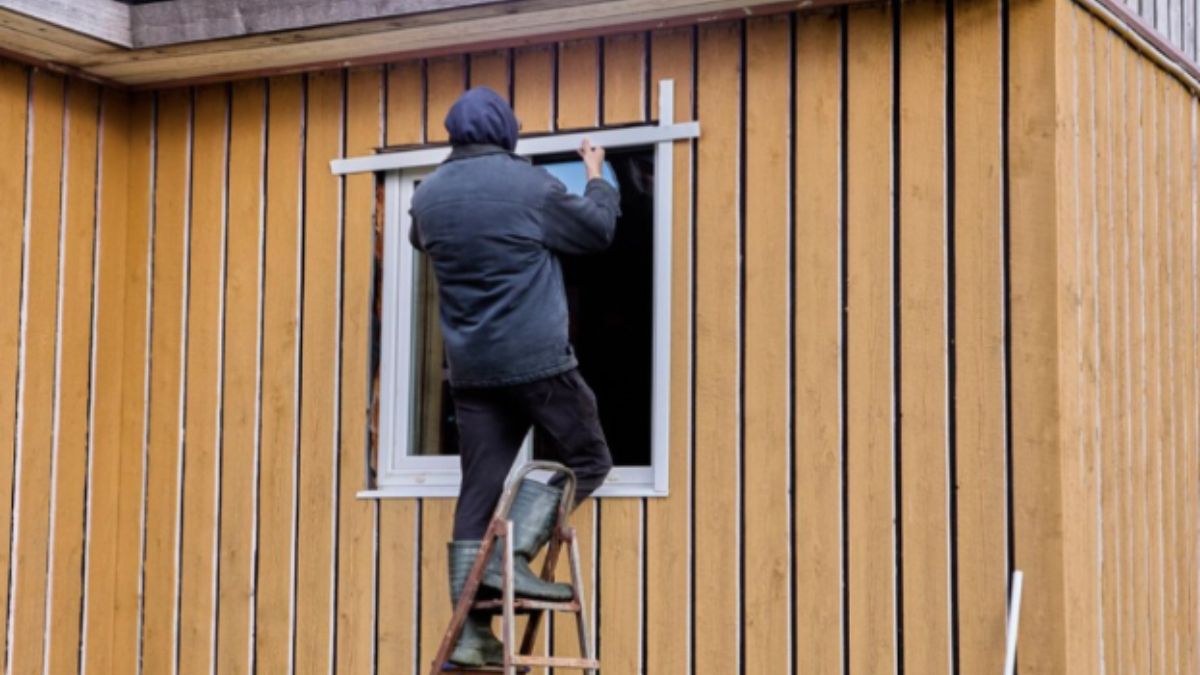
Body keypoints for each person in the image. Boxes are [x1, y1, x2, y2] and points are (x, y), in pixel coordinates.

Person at [409, 86, 618, 667]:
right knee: (588, 460)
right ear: (507, 132)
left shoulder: (427, 196)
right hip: (538, 361)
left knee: (477, 492)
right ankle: (514, 562)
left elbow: (417, 237)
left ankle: (472, 639)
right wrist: (597, 175)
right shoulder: (529, 186)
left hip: (472, 370)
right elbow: (596, 231)